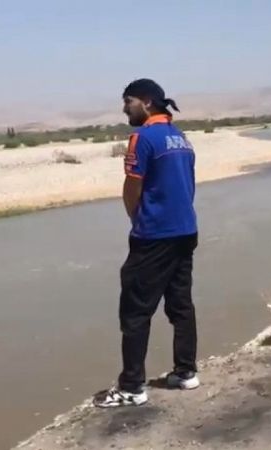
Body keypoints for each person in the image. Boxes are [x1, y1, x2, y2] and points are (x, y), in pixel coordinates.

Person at [93, 79, 200, 408]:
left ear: (147, 102)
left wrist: (137, 219)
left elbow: (132, 187)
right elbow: (188, 184)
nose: (125, 108)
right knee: (180, 305)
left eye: (128, 101)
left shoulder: (142, 137)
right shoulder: (180, 137)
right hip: (186, 230)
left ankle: (131, 387)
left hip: (154, 236)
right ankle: (186, 372)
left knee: (135, 311)